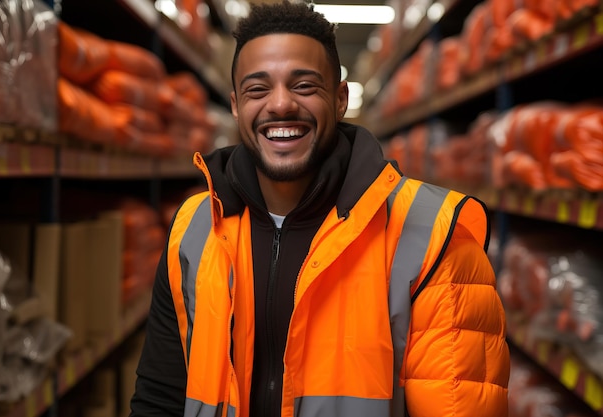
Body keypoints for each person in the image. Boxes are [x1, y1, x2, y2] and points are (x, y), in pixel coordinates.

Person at [129, 1, 510, 416]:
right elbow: (160, 396)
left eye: (304, 86)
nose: (280, 105)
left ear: (341, 98)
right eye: (258, 89)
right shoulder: (194, 228)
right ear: (236, 105)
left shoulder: (433, 234)